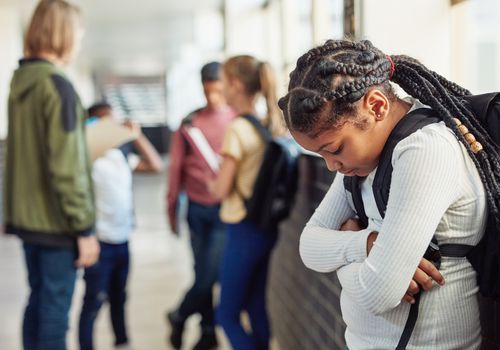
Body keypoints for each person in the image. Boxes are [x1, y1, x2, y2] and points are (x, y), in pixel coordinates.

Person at [277, 39, 500, 349]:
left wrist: (343, 259)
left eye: (335, 149)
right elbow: (309, 246)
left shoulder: (424, 150)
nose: (331, 167)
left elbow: (378, 293)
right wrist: (367, 245)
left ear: (377, 106)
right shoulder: (362, 162)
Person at [3, 1, 99, 349]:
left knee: (39, 302)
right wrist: (84, 227)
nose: (80, 39)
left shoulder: (21, 84)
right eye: (78, 31)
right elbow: (66, 166)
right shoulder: (58, 86)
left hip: (28, 220)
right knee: (55, 314)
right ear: (64, 33)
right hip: (58, 222)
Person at [208, 55, 285, 350]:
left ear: (236, 84)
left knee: (226, 314)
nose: (221, 89)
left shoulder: (237, 130)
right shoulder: (265, 127)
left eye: (223, 82)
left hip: (242, 230)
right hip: (264, 228)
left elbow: (220, 189)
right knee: (255, 307)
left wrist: (212, 183)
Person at [78, 102, 163, 350]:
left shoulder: (121, 156)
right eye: (106, 123)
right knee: (93, 303)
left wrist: (136, 137)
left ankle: (122, 342)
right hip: (100, 243)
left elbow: (156, 165)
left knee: (119, 298)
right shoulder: (87, 160)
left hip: (122, 241)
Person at [166, 61, 234, 350]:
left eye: (217, 91)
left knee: (209, 275)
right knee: (201, 272)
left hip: (224, 210)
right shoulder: (189, 122)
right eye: (208, 92)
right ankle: (207, 332)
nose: (213, 98)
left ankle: (179, 315)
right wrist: (171, 208)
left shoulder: (236, 119)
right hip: (195, 210)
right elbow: (176, 169)